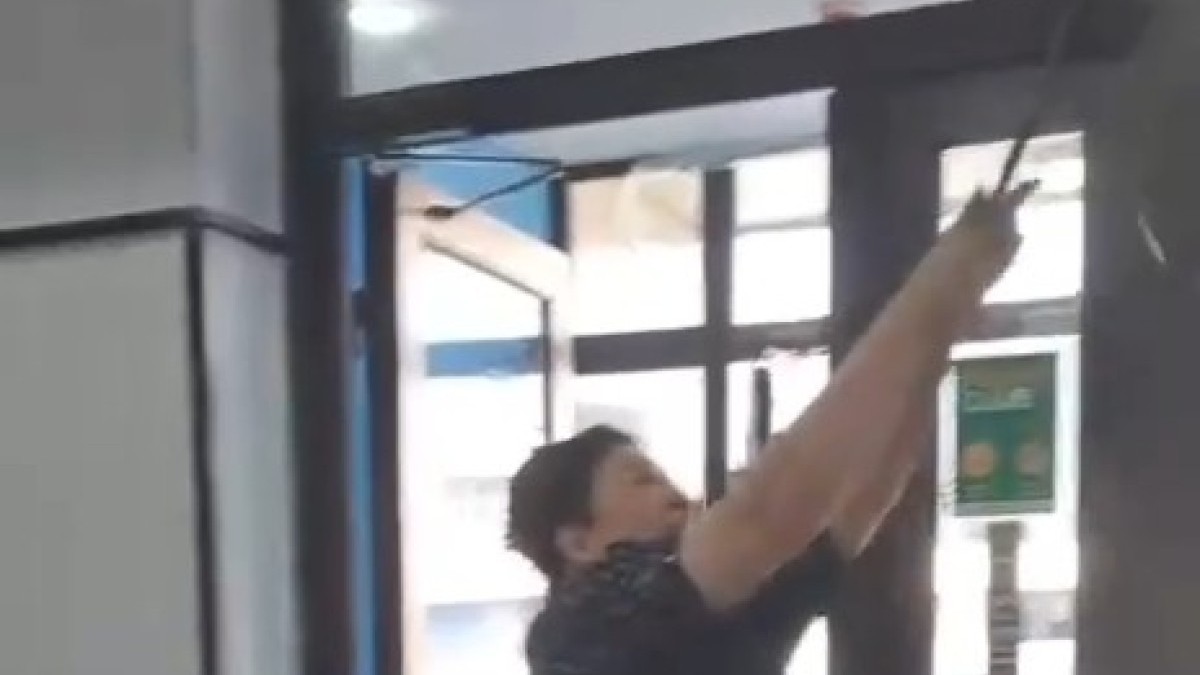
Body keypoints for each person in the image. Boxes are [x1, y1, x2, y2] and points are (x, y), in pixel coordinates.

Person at [505, 184, 1037, 675]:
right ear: (578, 542)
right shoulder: (580, 626)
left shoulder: (713, 597)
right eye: (640, 480)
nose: (676, 495)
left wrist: (947, 314)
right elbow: (772, 503)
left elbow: (862, 495)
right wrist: (947, 275)